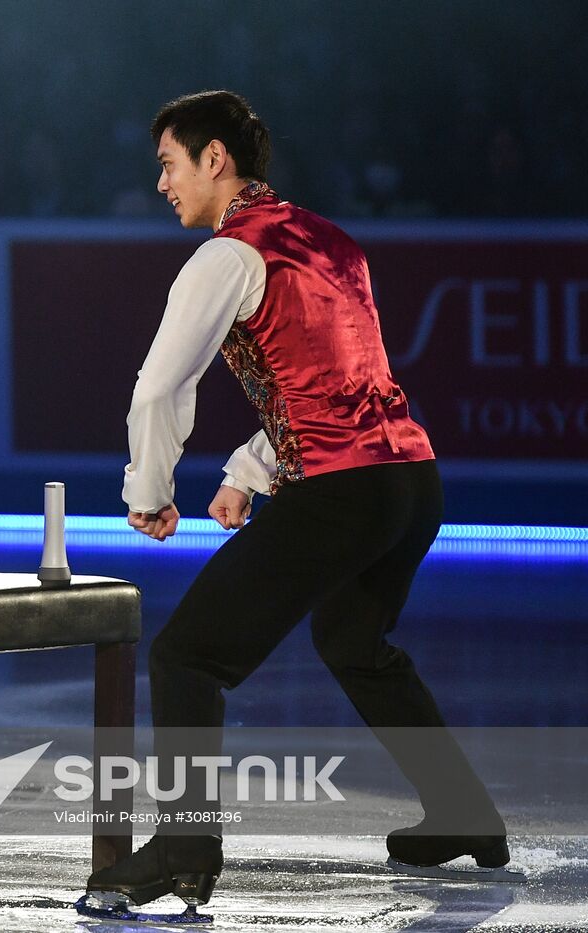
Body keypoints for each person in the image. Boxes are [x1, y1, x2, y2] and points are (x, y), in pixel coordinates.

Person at [82, 91, 508, 915]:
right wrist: (247, 472)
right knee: (352, 637)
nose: (162, 183)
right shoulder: (333, 241)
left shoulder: (225, 256)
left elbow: (159, 387)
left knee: (187, 656)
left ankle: (182, 847)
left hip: (344, 488)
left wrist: (150, 488)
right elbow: (335, 378)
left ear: (216, 160)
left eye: (169, 165)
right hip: (410, 481)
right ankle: (462, 809)